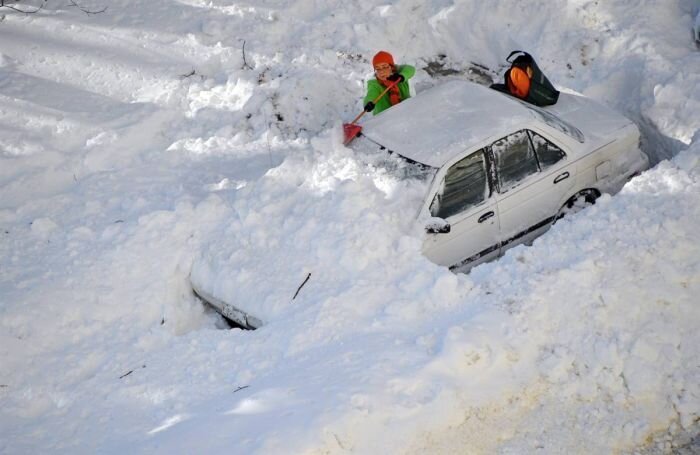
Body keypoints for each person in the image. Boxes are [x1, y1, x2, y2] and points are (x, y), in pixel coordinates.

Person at [363, 51, 415, 115]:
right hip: (385, 119)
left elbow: (411, 69)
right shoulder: (374, 84)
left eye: (384, 67)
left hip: (406, 112)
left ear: (392, 67)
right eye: (377, 68)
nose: (381, 71)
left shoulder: (400, 76)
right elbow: (371, 94)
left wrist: (401, 76)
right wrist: (368, 102)